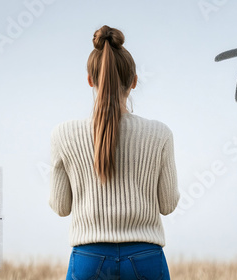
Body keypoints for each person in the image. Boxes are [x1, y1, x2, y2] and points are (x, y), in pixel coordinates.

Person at [48, 25, 180, 280]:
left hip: (88, 259)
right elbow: (168, 204)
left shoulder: (63, 134)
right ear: (133, 81)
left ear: (90, 80)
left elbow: (61, 206)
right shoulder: (160, 134)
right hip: (145, 259)